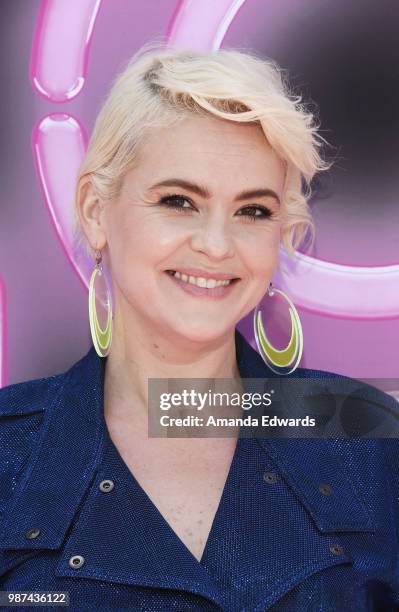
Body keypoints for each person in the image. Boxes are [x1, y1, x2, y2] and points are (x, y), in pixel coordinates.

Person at [0, 42, 398, 611]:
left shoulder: (366, 437)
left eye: (252, 211)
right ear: (95, 211)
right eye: (179, 201)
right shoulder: (8, 450)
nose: (216, 244)